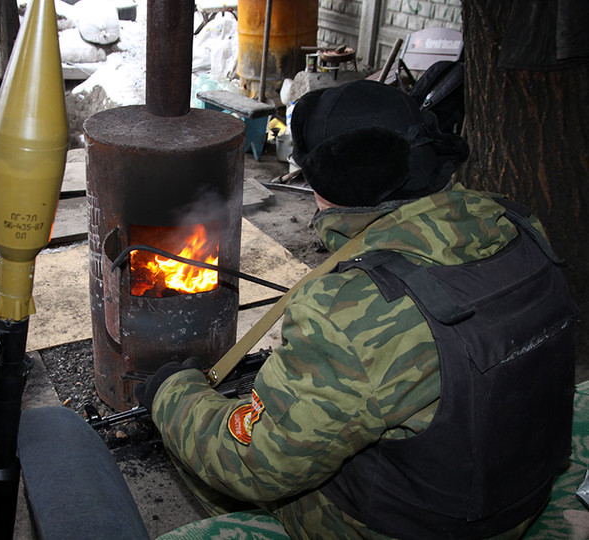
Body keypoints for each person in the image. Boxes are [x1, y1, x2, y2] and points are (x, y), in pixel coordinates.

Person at [134, 79, 579, 539]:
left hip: (421, 529)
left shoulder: (347, 308)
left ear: (326, 184)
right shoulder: (519, 223)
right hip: (518, 496)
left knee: (213, 453)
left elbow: (254, 464)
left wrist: (173, 394)